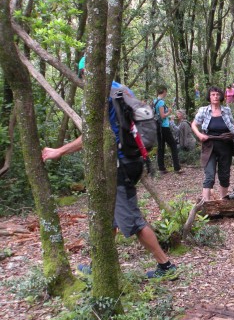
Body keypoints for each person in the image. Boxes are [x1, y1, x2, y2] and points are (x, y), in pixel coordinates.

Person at [41, 81, 179, 280]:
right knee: (110, 217)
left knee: (133, 220)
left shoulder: (105, 96)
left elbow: (91, 135)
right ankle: (99, 265)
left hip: (120, 165)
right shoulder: (121, 91)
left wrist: (59, 151)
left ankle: (165, 265)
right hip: (130, 160)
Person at [191, 86, 234, 201]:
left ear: (221, 96)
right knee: (209, 176)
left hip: (225, 145)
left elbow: (232, 122)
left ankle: (223, 201)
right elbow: (193, 124)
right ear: (209, 97)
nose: (215, 97)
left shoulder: (226, 110)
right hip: (209, 146)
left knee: (224, 175)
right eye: (213, 95)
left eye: (217, 95)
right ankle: (205, 204)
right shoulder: (203, 110)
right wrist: (200, 135)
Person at [154, 86, 182, 174]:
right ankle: (177, 168)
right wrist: (169, 112)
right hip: (164, 127)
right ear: (164, 91)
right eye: (166, 92)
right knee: (173, 145)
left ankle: (161, 168)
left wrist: (168, 116)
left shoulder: (155, 101)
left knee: (161, 147)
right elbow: (162, 116)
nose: (166, 94)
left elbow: (158, 115)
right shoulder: (161, 102)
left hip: (157, 127)